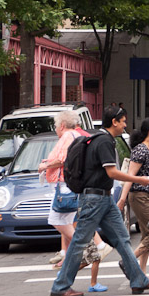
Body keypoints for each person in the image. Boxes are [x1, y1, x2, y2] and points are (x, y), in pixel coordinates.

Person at [50, 106, 149, 296]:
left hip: (103, 198)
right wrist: (139, 179)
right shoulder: (104, 141)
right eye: (123, 121)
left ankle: (138, 280)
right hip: (94, 199)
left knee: (122, 238)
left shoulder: (101, 139)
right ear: (114, 122)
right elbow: (111, 172)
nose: (125, 125)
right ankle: (60, 286)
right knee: (79, 241)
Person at [39, 111, 112, 268]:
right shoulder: (76, 135)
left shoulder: (67, 136)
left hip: (64, 184)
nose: (55, 129)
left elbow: (63, 159)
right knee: (70, 220)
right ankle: (75, 254)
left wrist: (45, 165)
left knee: (56, 219)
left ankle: (87, 246)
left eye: (56, 126)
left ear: (62, 125)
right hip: (69, 183)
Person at [117, 117, 149, 274]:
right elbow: (130, 176)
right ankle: (128, 261)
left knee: (147, 235)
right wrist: (122, 199)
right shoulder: (141, 150)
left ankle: (142, 274)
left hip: (148, 196)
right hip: (140, 197)